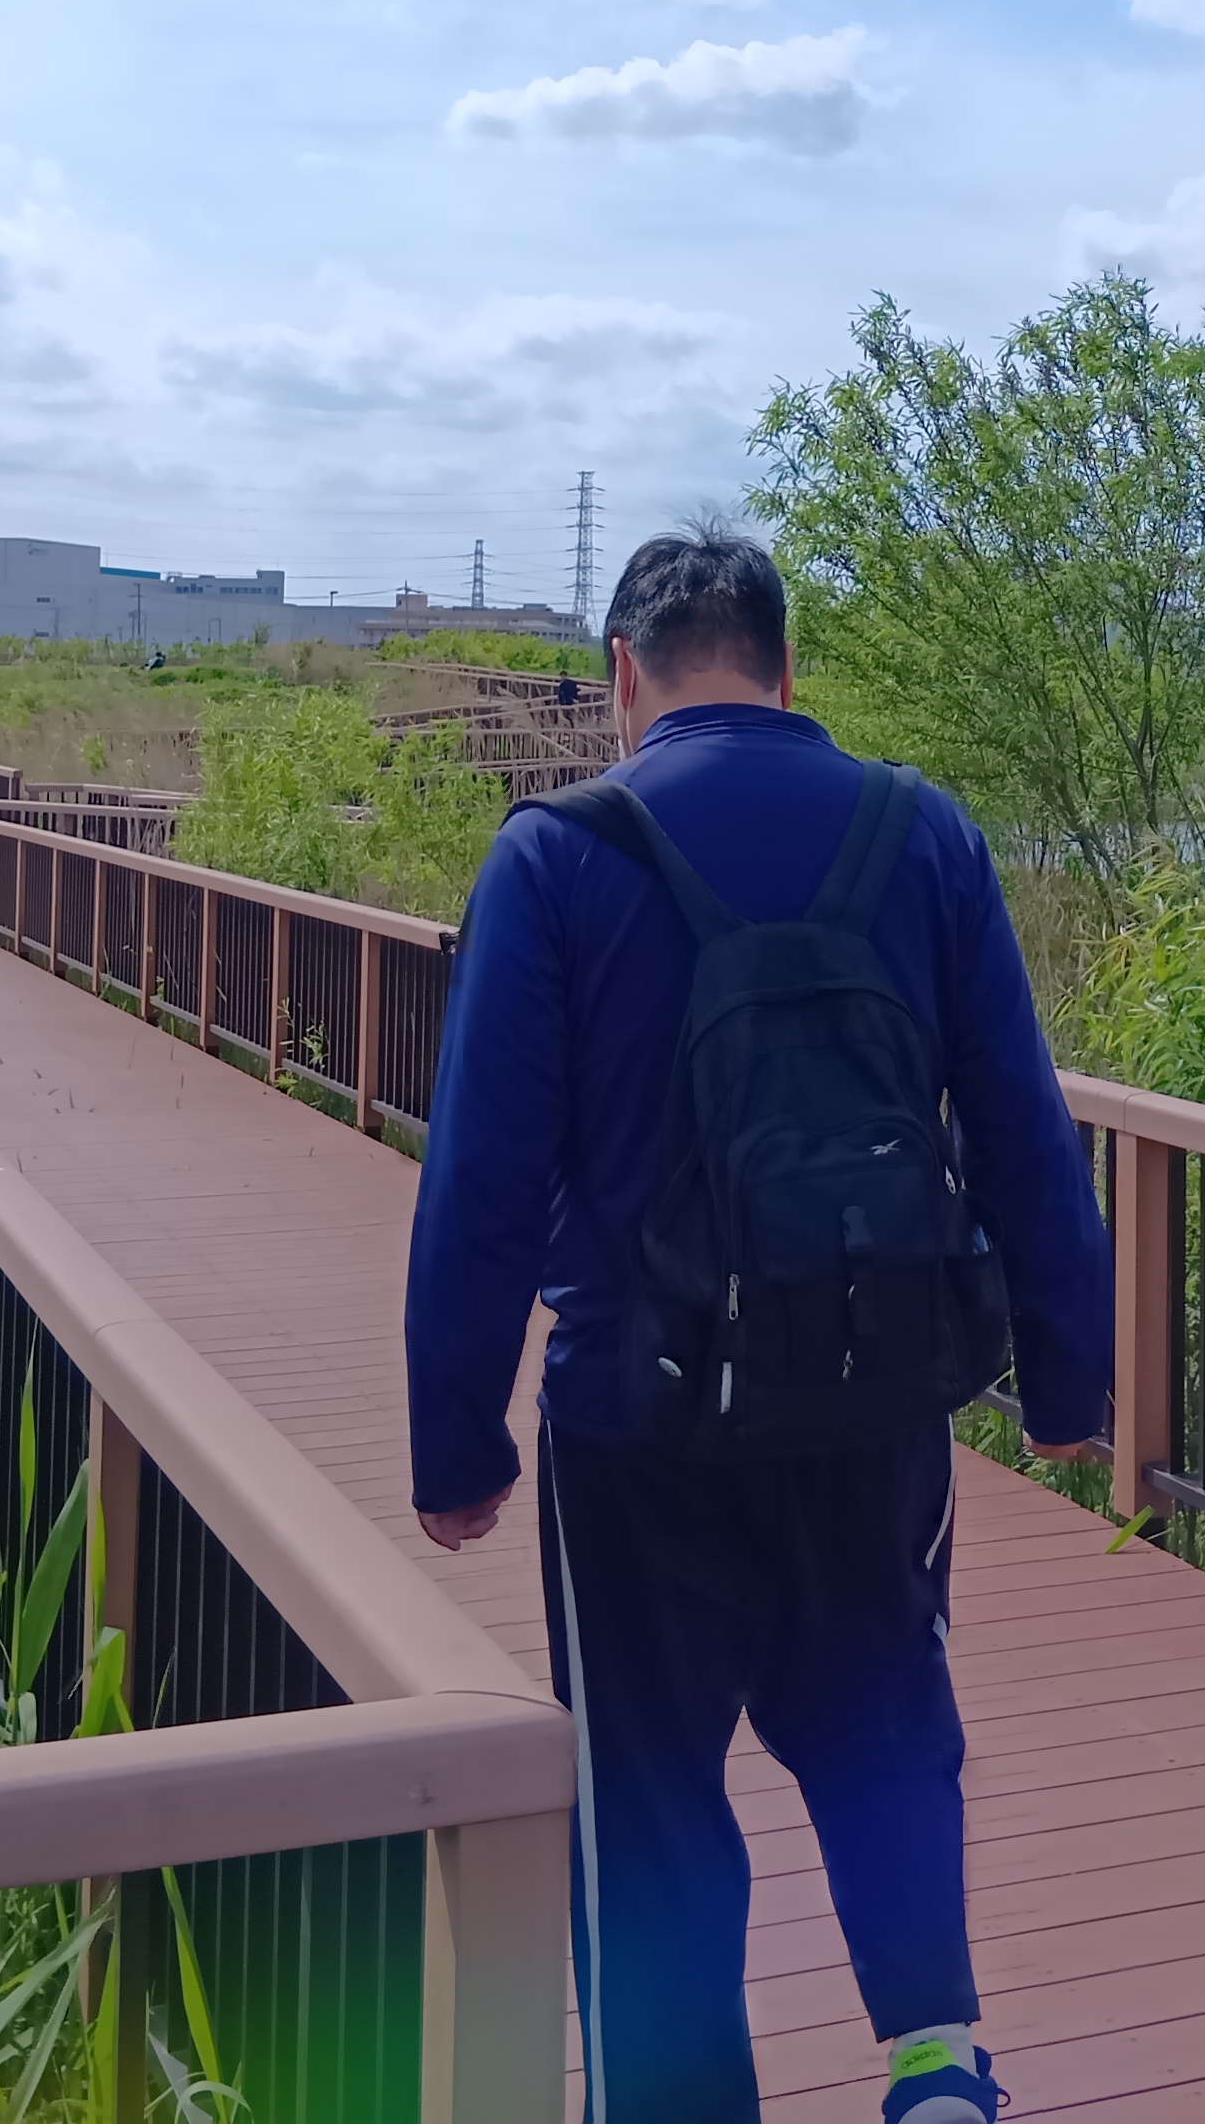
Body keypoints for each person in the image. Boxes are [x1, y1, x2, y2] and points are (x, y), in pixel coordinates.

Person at [404, 524, 1113, 2124]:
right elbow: (1022, 1127)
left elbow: (485, 1181)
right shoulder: (922, 835)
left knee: (647, 1799)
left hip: (635, 1423)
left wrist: (459, 1443)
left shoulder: (555, 858)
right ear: (789, 671)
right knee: (886, 1720)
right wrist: (1071, 1384)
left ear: (623, 679)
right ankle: (935, 2063)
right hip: (873, 1394)